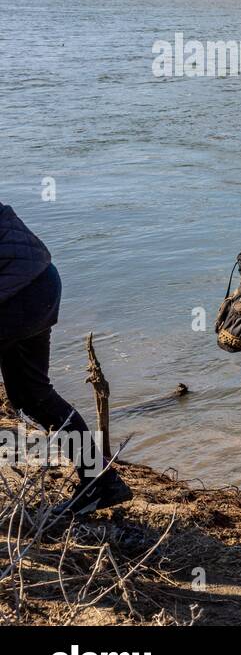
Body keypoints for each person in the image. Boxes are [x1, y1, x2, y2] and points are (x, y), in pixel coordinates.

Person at [0, 201, 132, 517]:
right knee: (33, 396)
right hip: (41, 283)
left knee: (33, 395)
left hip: (15, 294)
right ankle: (101, 482)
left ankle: (100, 481)